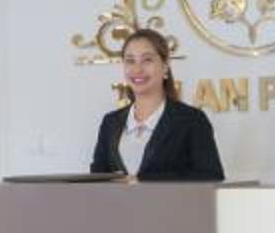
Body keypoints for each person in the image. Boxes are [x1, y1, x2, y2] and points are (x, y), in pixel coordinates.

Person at [91, 27, 224, 180]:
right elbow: (97, 178)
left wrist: (145, 180)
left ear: (165, 67)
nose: (137, 69)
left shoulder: (192, 120)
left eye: (147, 60)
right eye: (130, 61)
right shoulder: (110, 122)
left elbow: (211, 177)